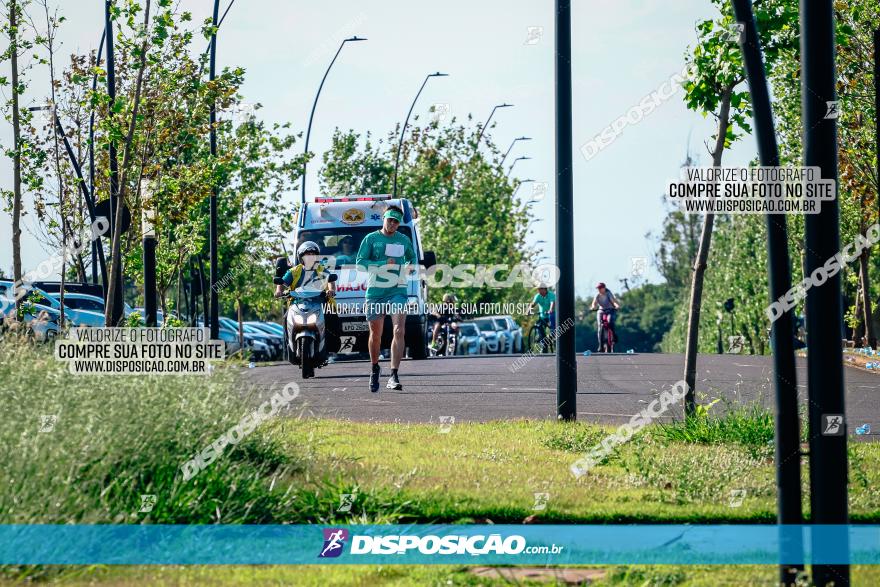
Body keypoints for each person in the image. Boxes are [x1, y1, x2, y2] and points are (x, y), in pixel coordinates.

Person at [355, 205, 416, 392]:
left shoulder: (403, 240)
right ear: (384, 218)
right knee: (376, 334)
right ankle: (375, 368)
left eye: (396, 221)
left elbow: (411, 259)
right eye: (390, 219)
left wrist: (409, 267)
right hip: (375, 292)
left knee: (399, 330)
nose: (392, 224)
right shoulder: (371, 239)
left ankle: (394, 375)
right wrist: (382, 263)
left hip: (397, 290)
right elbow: (360, 264)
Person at [590, 282, 620, 348]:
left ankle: (614, 335)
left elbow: (614, 301)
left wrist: (617, 306)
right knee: (600, 327)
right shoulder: (597, 295)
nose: (599, 290)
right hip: (601, 310)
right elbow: (594, 303)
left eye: (600, 288)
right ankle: (600, 345)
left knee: (610, 322)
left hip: (610, 310)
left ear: (604, 288)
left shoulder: (608, 294)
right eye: (598, 288)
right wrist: (593, 307)